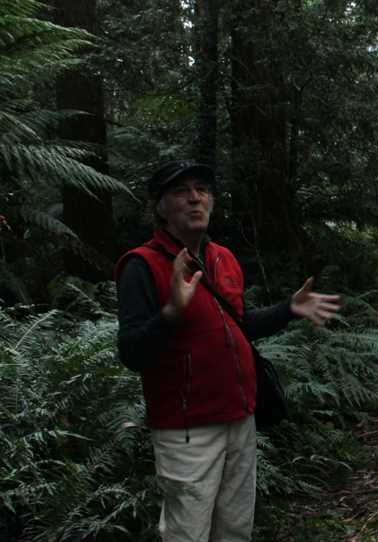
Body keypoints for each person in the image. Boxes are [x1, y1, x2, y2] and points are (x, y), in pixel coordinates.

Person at [115, 160, 340, 541]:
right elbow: (132, 352)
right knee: (188, 532)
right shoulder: (141, 265)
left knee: (235, 529)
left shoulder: (223, 257)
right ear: (160, 207)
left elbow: (236, 325)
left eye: (201, 190)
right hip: (187, 430)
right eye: (181, 191)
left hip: (240, 418)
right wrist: (171, 312)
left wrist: (288, 309)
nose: (194, 198)